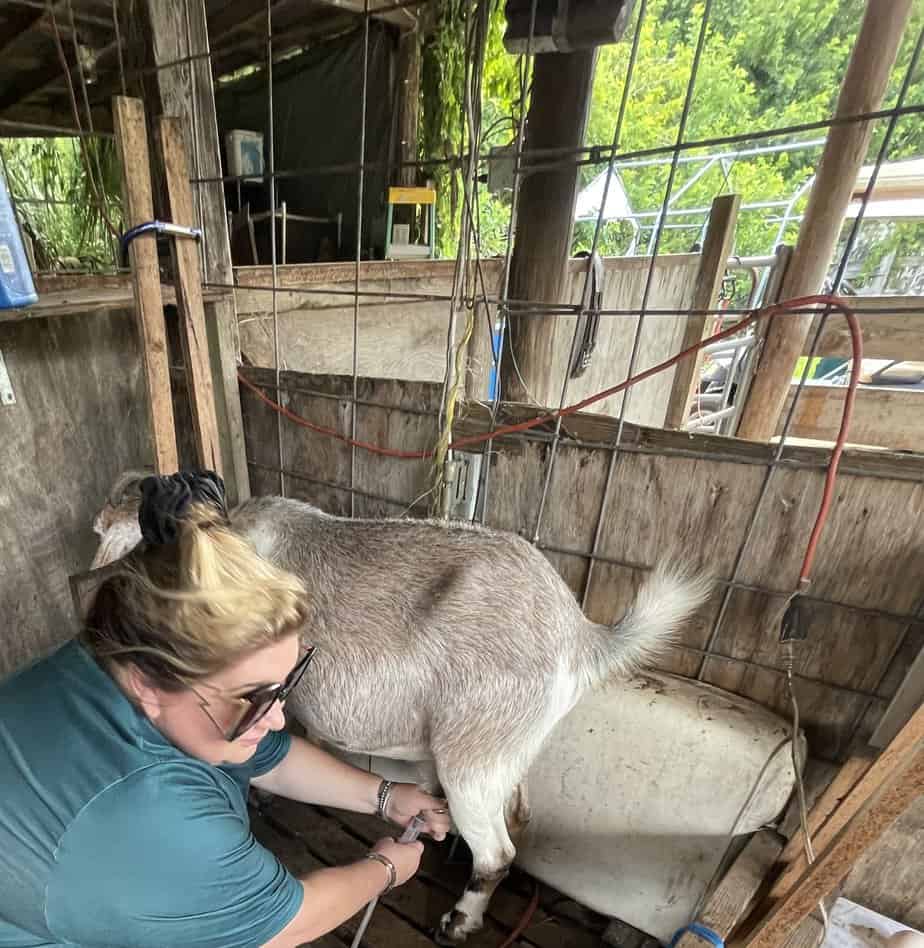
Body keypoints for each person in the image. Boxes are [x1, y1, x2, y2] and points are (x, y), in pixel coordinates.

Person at [0, 471, 451, 948]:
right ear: (148, 685)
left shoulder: (112, 654)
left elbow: (267, 754)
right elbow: (283, 927)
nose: (277, 716)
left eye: (284, 686)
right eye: (256, 697)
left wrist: (384, 797)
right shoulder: (150, 820)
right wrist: (384, 869)